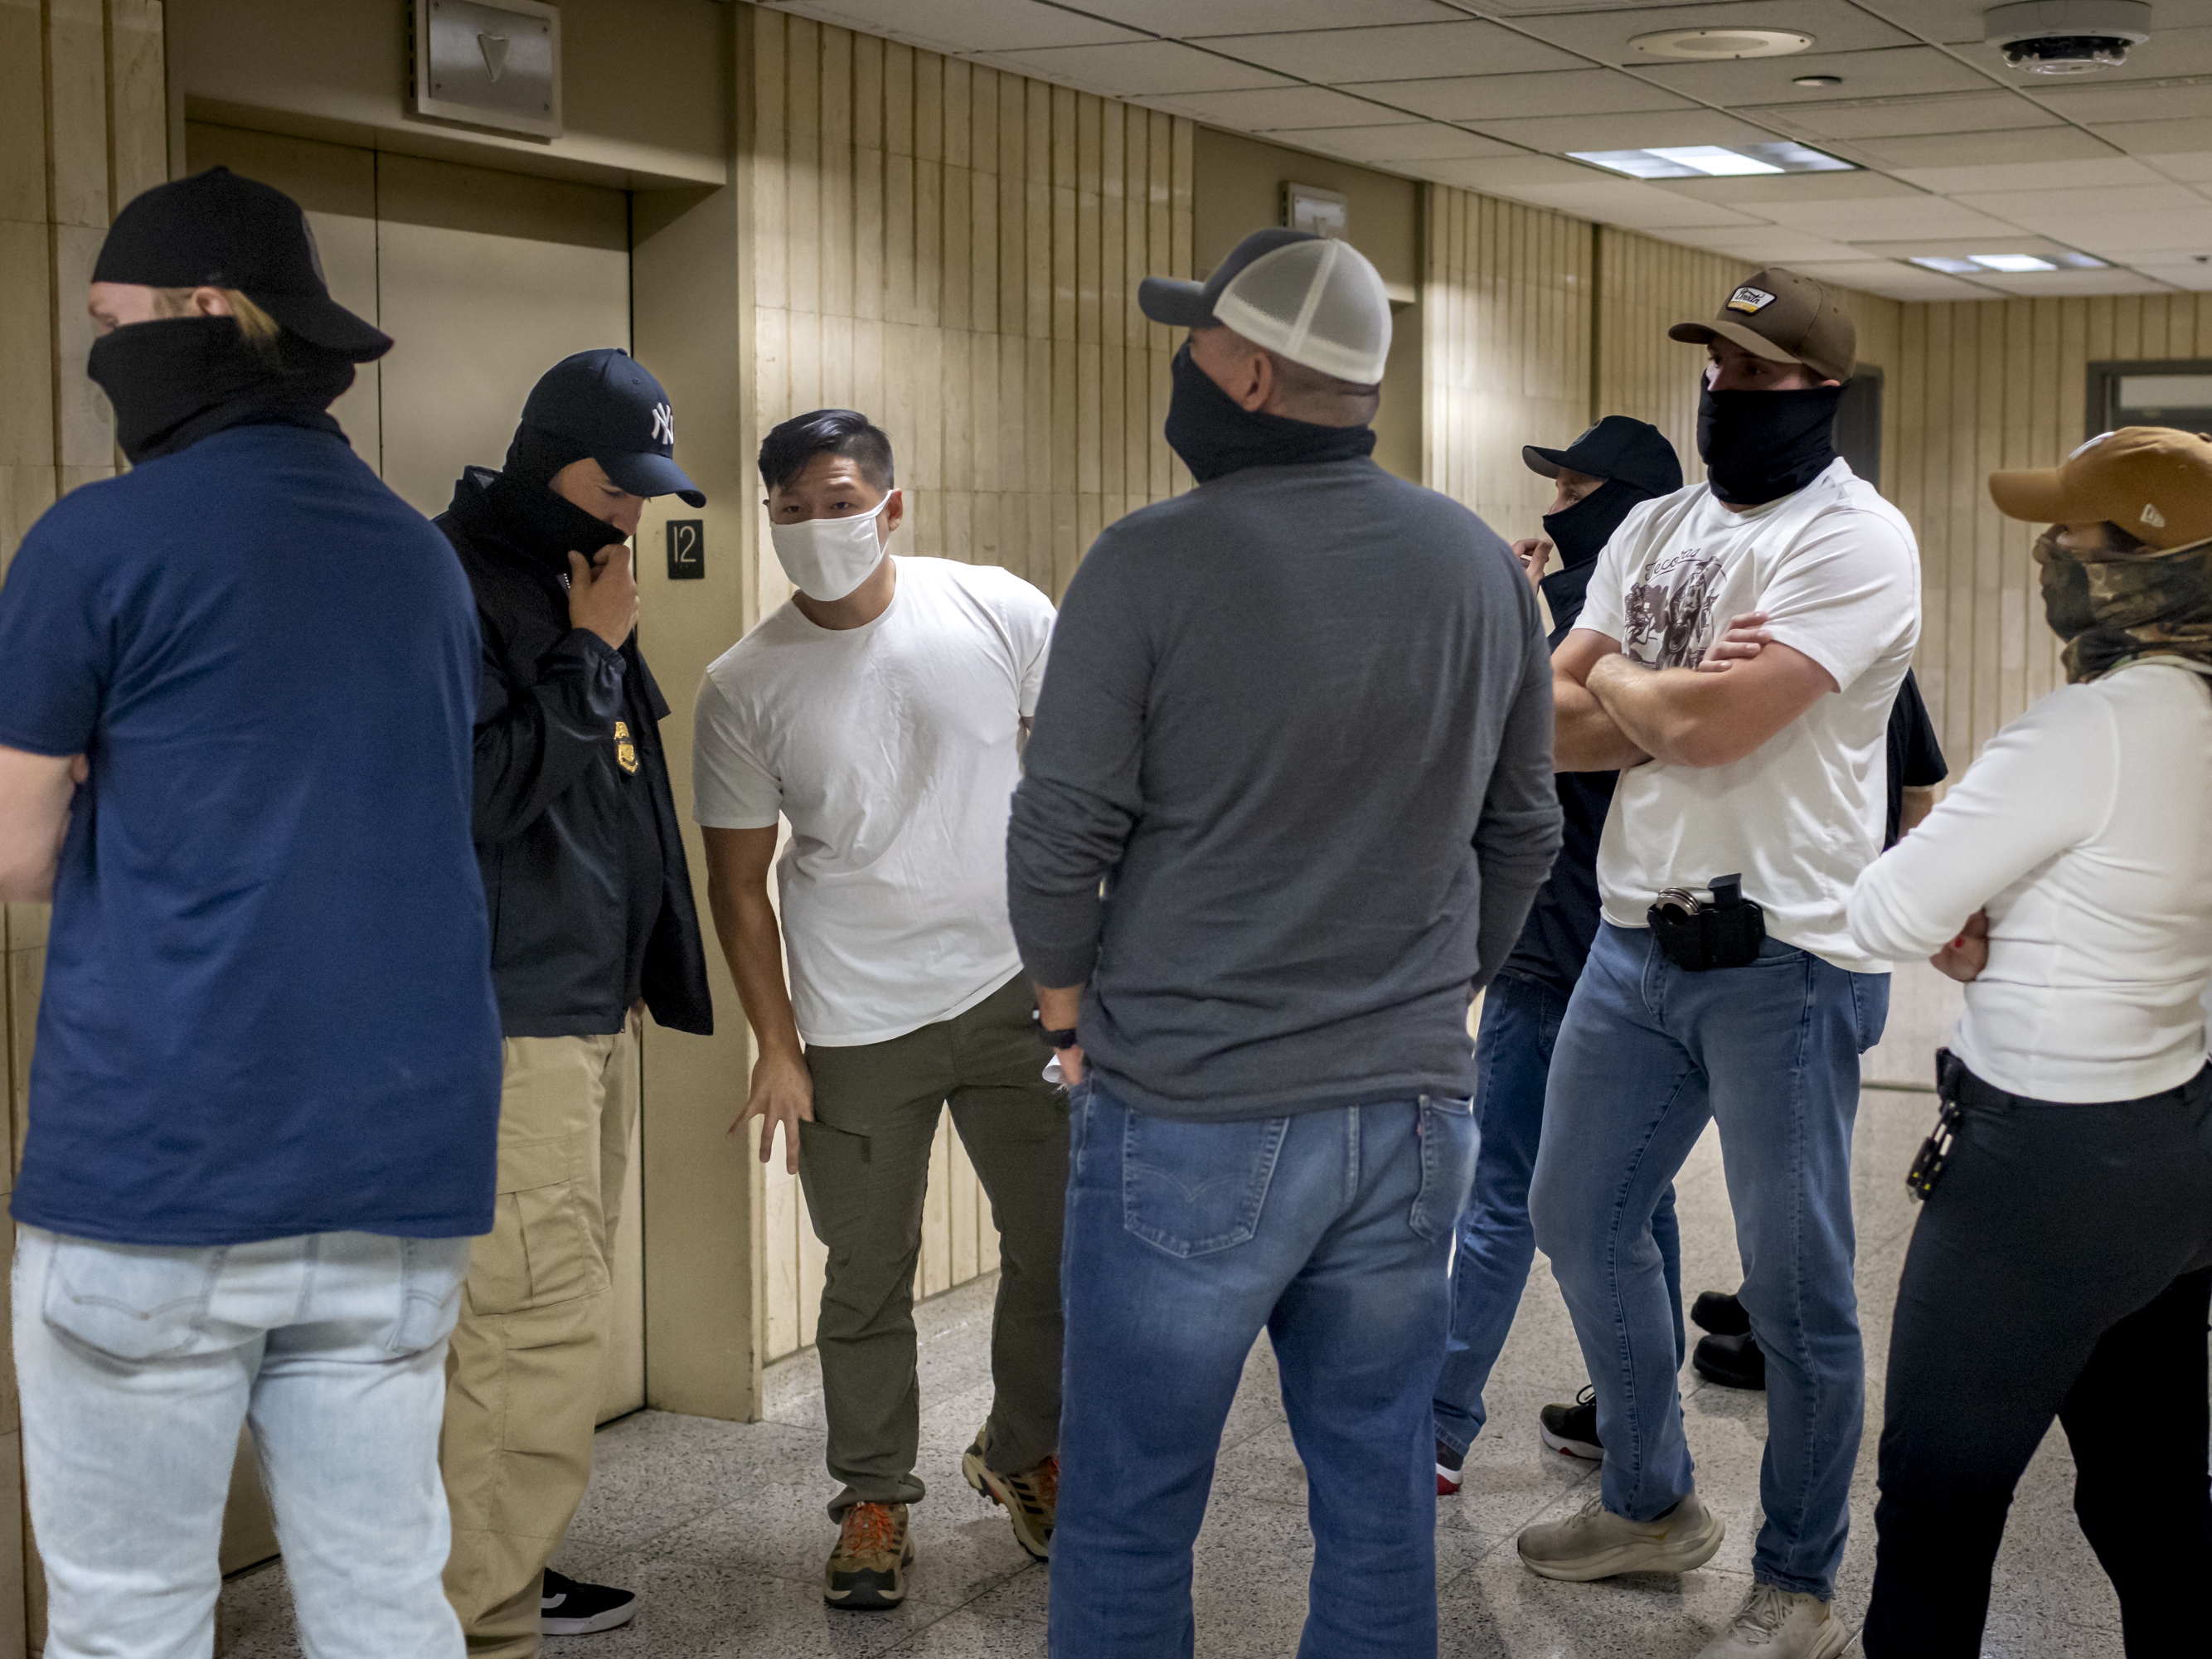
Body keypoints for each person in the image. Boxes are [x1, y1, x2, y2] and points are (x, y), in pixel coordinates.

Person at [1008, 228, 1561, 1658]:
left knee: (1131, 1497)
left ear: (1245, 370)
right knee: (1376, 1488)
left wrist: (1064, 1009)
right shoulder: (1478, 567)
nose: (1179, 369)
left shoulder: (1144, 562)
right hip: (1410, 1111)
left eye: (1192, 344)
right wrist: (1437, 988)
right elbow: (1524, 833)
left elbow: (1062, 829)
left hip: (1194, 1106)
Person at [0, 167, 501, 1657]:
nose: (100, 355)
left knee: (131, 1619)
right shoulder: (420, 558)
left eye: (113, 322)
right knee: (382, 1600)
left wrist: (108, 786)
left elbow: (17, 851)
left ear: (209, 314)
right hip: (397, 1168)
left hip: (166, 1166)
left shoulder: (94, 544)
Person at [1520, 266, 1919, 1659]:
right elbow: (1550, 725)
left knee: (1799, 1291)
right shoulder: (1656, 523)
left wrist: (1635, 689)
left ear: (1819, 393)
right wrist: (1660, 700)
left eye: (1756, 376)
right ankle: (1647, 1501)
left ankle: (1797, 1579)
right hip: (1629, 946)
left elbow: (1697, 722)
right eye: (1714, 371)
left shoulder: (1855, 542)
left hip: (1782, 960)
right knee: (1573, 1216)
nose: (1726, 395)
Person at [692, 409, 1065, 1611]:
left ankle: (1023, 1450)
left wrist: (1083, 980)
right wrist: (778, 1046)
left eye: (838, 500)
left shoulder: (998, 609)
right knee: (866, 1269)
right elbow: (737, 884)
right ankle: (870, 1496)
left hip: (1016, 993)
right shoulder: (742, 684)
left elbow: (1076, 795)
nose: (817, 527)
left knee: (1057, 1247)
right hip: (855, 1020)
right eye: (790, 509)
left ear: (891, 506)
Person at [1847, 427, 2212, 1657]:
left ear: (2139, 571)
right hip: (2179, 1152)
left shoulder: (2087, 729)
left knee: (1938, 1507)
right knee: (2153, 1500)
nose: (2049, 551)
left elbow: (1885, 911)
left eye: (2071, 532)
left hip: (2042, 1172)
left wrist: (1950, 885)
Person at [433, 348, 715, 1650]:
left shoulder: (567, 579)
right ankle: (475, 1613)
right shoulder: (459, 584)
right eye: (620, 486)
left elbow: (616, 787)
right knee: (527, 1323)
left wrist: (642, 958)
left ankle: (499, 1563)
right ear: (553, 456)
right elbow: (481, 794)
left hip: (583, 1007)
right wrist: (592, 653)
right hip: (513, 1016)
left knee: (550, 1307)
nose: (634, 517)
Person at [1432, 415, 1686, 1494]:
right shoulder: (1670, 621)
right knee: (1642, 1201)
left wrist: (1508, 621)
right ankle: (1639, 1424)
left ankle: (1436, 1428)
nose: (1550, 502)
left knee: (1501, 1194)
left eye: (1574, 484)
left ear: (1622, 505)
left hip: (1554, 952)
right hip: (1633, 954)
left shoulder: (1600, 625)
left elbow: (1519, 737)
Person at [1677, 657, 1947, 1395]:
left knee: (1795, 1176)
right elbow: (1920, 786)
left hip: (1816, 951)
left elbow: (1918, 790)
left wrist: (1862, 907)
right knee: (1781, 1167)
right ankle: (1766, 1297)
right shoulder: (1866, 658)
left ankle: (1779, 1332)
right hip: (1832, 942)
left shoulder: (1819, 647)